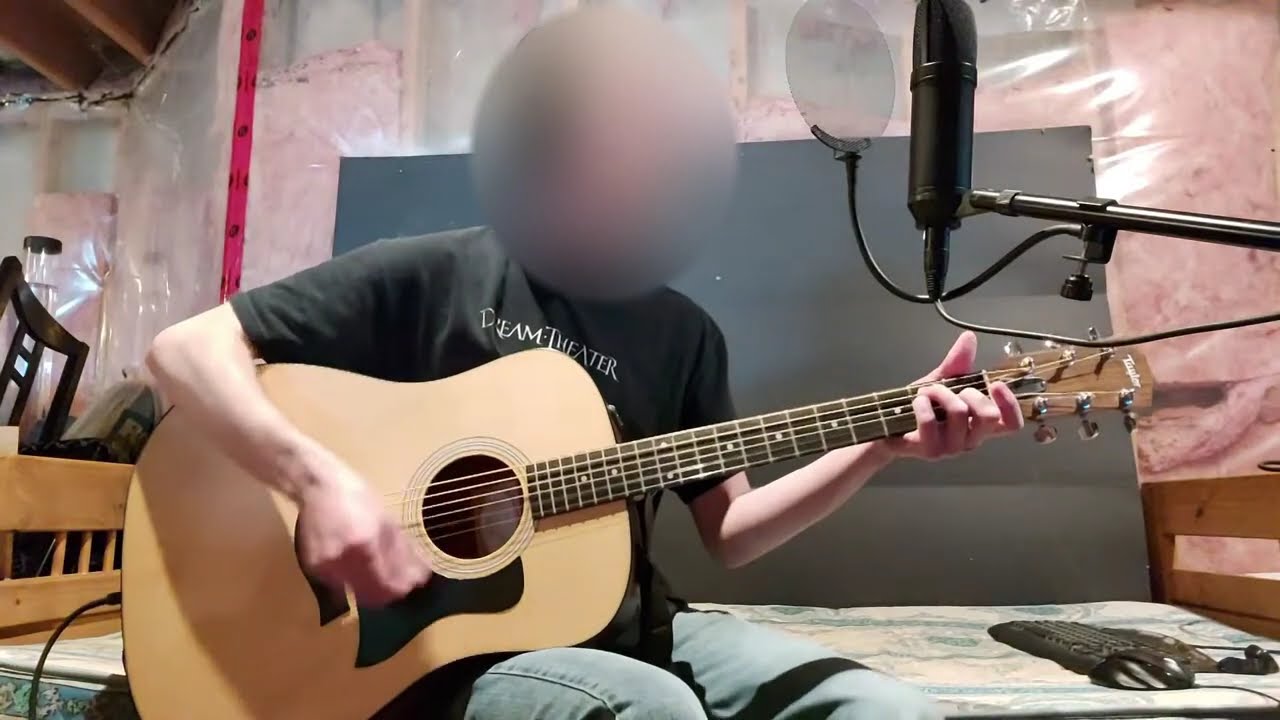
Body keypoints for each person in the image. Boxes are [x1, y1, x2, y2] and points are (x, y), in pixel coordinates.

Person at [145, 8, 1024, 720]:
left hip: (634, 632)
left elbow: (732, 532)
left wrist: (878, 443)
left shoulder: (683, 334)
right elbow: (183, 350)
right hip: (441, 653)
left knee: (883, 709)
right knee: (647, 710)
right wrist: (316, 482)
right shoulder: (433, 273)